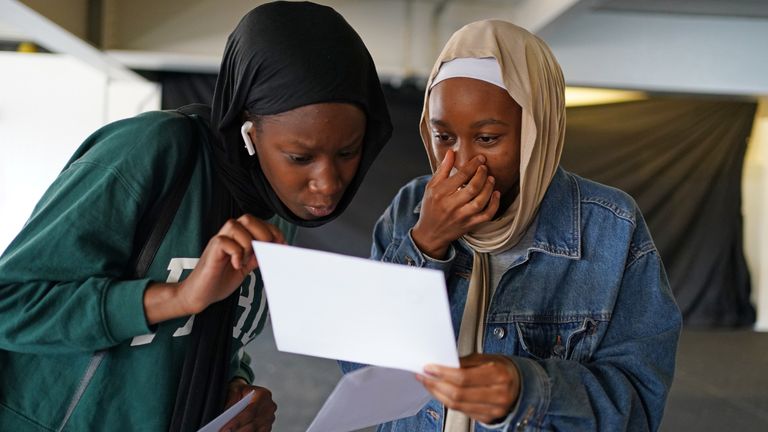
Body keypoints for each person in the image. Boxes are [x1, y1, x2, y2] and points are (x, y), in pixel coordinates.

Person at [0, 2, 391, 431]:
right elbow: (11, 305)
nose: (328, 183)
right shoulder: (151, 151)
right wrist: (180, 296)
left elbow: (209, 339)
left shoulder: (277, 212)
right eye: (300, 157)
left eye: (348, 152)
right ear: (248, 132)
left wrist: (234, 391)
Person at [341, 20, 681, 431]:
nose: (462, 163)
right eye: (443, 136)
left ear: (538, 130)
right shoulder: (411, 209)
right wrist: (424, 244)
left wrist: (528, 390)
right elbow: (362, 373)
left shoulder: (610, 228)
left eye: (487, 138)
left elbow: (638, 406)